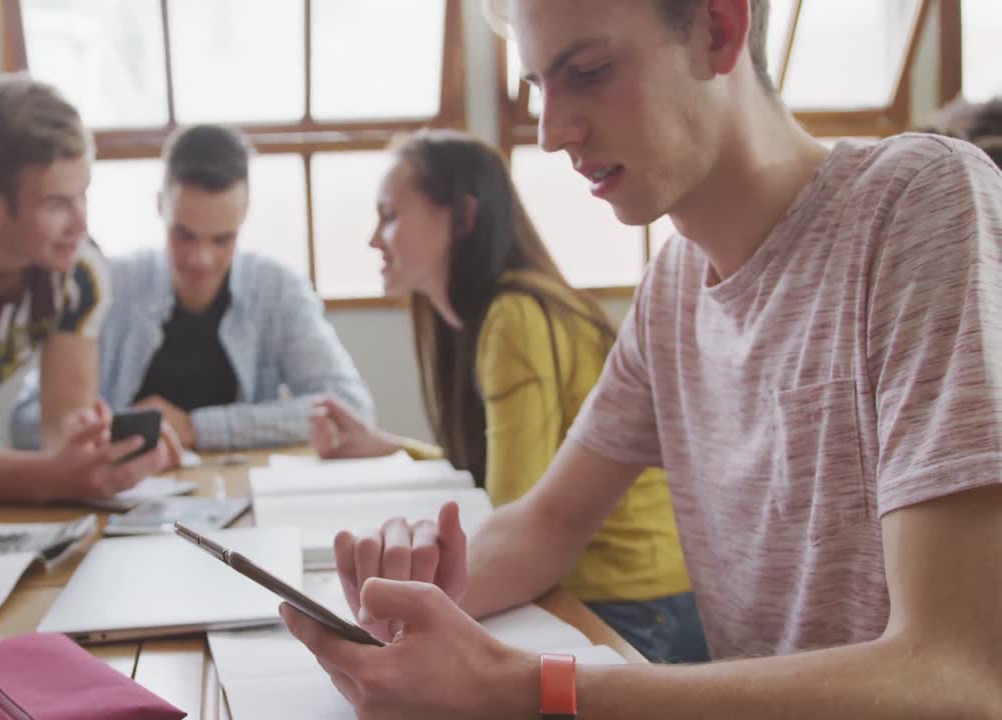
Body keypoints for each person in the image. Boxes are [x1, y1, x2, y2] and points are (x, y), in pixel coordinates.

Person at [281, 1, 1002, 717]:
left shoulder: (920, 202)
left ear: (720, 28)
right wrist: (403, 609)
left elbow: (957, 673)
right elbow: (544, 526)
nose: (552, 133)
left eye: (589, 72)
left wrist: (529, 687)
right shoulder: (674, 288)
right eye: (538, 87)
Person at [309, 129, 704, 663]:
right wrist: (389, 445)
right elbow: (499, 468)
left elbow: (510, 503)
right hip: (606, 594)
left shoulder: (515, 317)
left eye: (390, 215)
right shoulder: (488, 317)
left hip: (633, 607)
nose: (374, 239)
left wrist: (389, 608)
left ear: (463, 218)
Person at [0, 73, 179, 504]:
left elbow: (63, 421)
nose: (81, 224)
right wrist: (54, 475)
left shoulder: (81, 271)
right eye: (57, 204)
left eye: (83, 196)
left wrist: (95, 451)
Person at [12, 124, 374, 451]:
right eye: (184, 236)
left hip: (244, 495)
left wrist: (197, 429)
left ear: (244, 214)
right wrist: (122, 430)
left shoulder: (277, 289)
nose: (201, 260)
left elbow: (351, 407)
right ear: (160, 206)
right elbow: (27, 420)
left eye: (222, 239)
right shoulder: (106, 285)